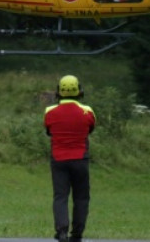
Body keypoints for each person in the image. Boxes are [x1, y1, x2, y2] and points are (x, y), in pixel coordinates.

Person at [44, 75, 96, 242]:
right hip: (80, 158)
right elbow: (90, 129)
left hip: (58, 159)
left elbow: (49, 131)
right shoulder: (87, 111)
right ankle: (77, 233)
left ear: (58, 91)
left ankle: (61, 231)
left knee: (60, 196)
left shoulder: (50, 111)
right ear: (79, 91)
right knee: (81, 196)